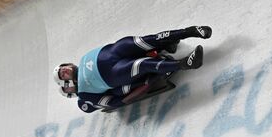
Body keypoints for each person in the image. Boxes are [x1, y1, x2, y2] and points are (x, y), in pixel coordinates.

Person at [53, 26, 212, 113]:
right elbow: (114, 102)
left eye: (63, 68)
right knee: (141, 64)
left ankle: (191, 31)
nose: (65, 70)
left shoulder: (82, 59)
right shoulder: (84, 96)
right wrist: (144, 86)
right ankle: (184, 64)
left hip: (116, 50)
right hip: (115, 73)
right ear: (67, 84)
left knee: (148, 40)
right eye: (63, 74)